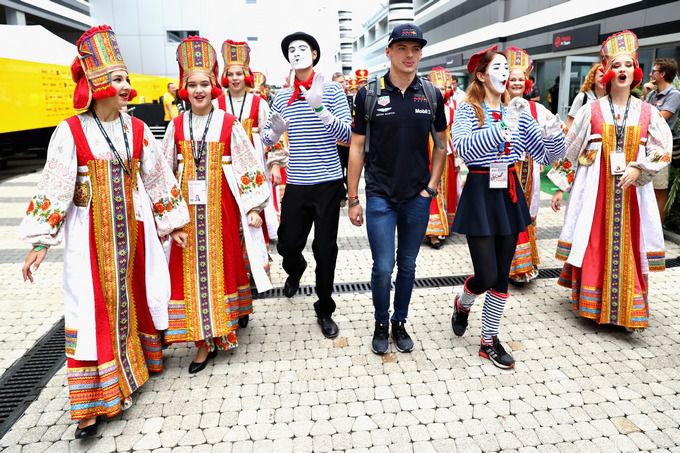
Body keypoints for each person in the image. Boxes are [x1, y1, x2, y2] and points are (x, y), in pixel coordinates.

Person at [20, 25, 189, 438]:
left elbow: (157, 178)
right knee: (91, 310)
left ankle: (134, 372)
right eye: (118, 80)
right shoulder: (70, 131)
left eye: (126, 78)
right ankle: (90, 404)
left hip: (135, 231)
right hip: (88, 237)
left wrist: (173, 223)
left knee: (135, 295)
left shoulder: (136, 130)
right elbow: (55, 184)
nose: (127, 87)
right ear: (96, 85)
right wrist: (41, 240)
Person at [161, 36, 271, 373]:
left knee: (222, 267)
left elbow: (247, 165)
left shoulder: (228, 124)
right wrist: (168, 220)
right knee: (191, 273)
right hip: (186, 211)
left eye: (204, 84)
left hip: (221, 208)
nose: (198, 90)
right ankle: (200, 341)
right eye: (192, 84)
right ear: (184, 88)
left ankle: (222, 328)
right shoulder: (175, 126)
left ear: (214, 86)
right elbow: (164, 173)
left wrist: (254, 206)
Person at [450, 45, 565, 369]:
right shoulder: (468, 110)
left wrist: (554, 133)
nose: (505, 74)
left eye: (507, 68)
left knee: (501, 275)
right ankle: (463, 301)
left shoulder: (520, 110)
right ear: (482, 75)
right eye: (497, 68)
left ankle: (488, 340)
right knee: (485, 274)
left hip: (508, 192)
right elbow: (463, 149)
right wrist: (501, 127)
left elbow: (547, 155)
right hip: (479, 190)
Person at [549, 30, 672, 331]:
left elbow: (663, 150)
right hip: (596, 195)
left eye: (628, 65)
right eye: (616, 65)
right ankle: (593, 307)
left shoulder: (647, 112)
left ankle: (628, 309)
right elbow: (572, 149)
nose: (622, 71)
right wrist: (558, 187)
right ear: (606, 71)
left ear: (636, 71)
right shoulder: (590, 111)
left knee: (630, 245)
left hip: (632, 197)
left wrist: (639, 167)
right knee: (594, 243)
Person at [348, 23, 447, 354]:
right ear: (389, 52)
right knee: (383, 266)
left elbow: (442, 146)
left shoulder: (431, 94)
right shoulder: (369, 93)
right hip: (379, 196)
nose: (409, 55)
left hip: (416, 198)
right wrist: (353, 199)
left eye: (416, 49)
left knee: (408, 265)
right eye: (402, 48)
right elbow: (357, 147)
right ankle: (380, 323)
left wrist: (430, 189)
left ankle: (399, 323)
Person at [261, 32, 352, 339]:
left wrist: (320, 109)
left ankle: (324, 308)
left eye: (302, 48)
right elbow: (267, 139)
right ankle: (295, 267)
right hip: (297, 181)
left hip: (327, 183)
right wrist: (272, 133)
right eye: (291, 50)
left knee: (325, 250)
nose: (296, 53)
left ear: (314, 54)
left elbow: (349, 137)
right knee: (286, 243)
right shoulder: (281, 96)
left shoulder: (333, 91)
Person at [215, 39, 283, 251]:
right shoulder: (217, 104)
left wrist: (275, 164)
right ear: (225, 76)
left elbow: (270, 135)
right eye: (231, 73)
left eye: (239, 73)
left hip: (255, 166)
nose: (235, 78)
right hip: (224, 165)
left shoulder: (259, 103)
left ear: (246, 76)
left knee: (255, 209)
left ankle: (258, 259)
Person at [505, 47, 563, 285]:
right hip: (502, 170)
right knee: (503, 215)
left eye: (521, 79)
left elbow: (556, 135)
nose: (517, 82)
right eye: (513, 78)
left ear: (526, 82)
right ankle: (504, 264)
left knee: (526, 215)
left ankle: (524, 264)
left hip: (529, 171)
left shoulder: (537, 109)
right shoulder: (496, 105)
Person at [642, 58, 680, 223]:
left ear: (662, 74)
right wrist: (644, 94)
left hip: (662, 147)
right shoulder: (651, 93)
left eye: (654, 71)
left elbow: (660, 118)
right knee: (644, 187)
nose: (650, 74)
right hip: (645, 145)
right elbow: (639, 116)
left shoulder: (674, 95)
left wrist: (646, 113)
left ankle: (657, 230)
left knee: (659, 189)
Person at [424, 66, 458, 249]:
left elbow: (456, 136)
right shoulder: (422, 108)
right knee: (432, 189)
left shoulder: (453, 110)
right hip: (427, 153)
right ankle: (434, 230)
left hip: (448, 156)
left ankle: (444, 226)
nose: (440, 92)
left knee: (447, 191)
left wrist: (459, 160)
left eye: (443, 88)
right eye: (436, 88)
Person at [566, 63, 606, 130]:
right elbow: (570, 120)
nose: (604, 79)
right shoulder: (583, 97)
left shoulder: (610, 99)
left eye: (606, 76)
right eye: (601, 76)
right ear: (592, 79)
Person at [332, 71, 352, 207]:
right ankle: (341, 195)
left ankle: (352, 194)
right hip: (338, 142)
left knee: (351, 170)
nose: (341, 85)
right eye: (338, 83)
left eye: (342, 82)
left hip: (353, 142)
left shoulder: (352, 98)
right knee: (339, 170)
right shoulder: (331, 100)